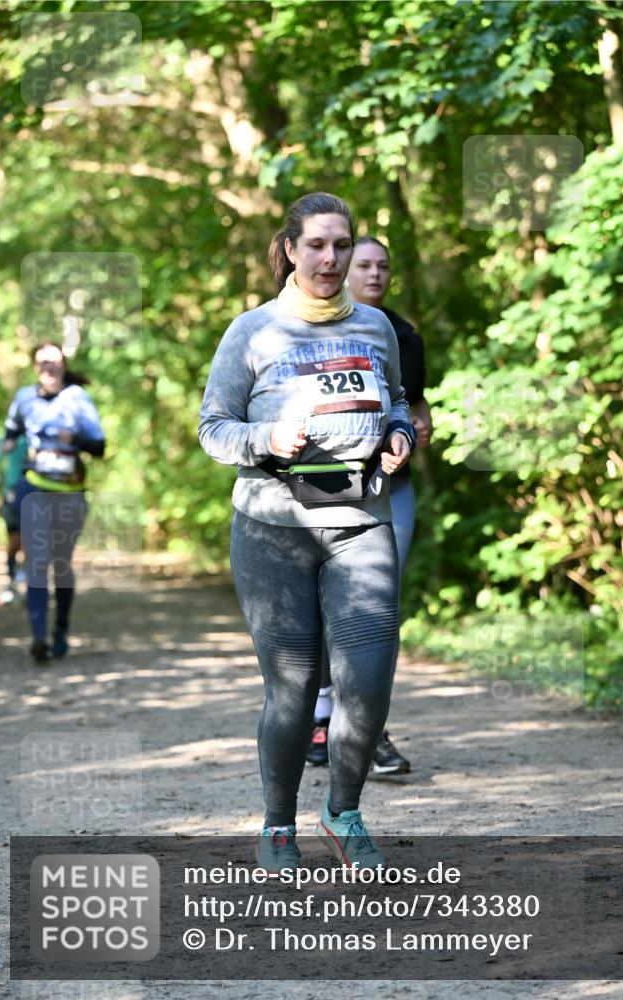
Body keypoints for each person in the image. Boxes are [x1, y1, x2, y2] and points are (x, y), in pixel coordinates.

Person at [199, 192, 416, 872]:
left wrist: (399, 432)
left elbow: (398, 399)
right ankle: (277, 823)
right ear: (290, 249)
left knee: (368, 681)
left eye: (341, 245)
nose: (330, 258)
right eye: (316, 245)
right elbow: (213, 427)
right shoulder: (252, 332)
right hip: (273, 528)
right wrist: (268, 436)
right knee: (291, 688)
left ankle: (342, 810)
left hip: (359, 522)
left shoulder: (376, 327)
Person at [307, 237, 432, 774]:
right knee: (319, 603)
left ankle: (370, 730)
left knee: (377, 609)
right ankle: (318, 719)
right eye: (365, 265)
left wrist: (421, 419)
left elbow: (411, 397)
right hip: (320, 487)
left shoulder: (403, 336)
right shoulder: (309, 329)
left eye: (384, 265)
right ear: (341, 270)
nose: (375, 274)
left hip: (387, 487)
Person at [3, 342, 106, 662]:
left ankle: (60, 629)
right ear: (36, 366)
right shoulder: (24, 398)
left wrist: (73, 439)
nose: (48, 368)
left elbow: (100, 446)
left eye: (54, 362)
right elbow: (11, 430)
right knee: (36, 561)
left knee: (60, 564)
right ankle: (38, 637)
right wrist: (6, 448)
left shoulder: (77, 399)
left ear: (63, 366)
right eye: (42, 362)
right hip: (32, 486)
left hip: (69, 490)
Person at [0, 433, 28, 604]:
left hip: (34, 494)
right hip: (11, 495)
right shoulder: (7, 439)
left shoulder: (37, 437)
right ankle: (12, 579)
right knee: (15, 541)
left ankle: (26, 583)